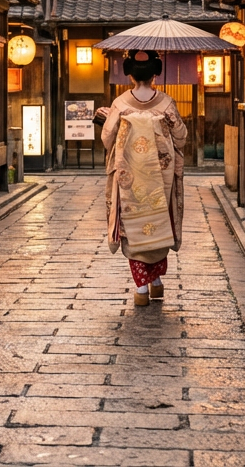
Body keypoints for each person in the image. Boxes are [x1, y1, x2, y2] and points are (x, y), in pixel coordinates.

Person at [97, 50, 188, 306]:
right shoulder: (166, 103)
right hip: (160, 178)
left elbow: (107, 139)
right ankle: (157, 283)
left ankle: (140, 290)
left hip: (129, 180)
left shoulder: (120, 103)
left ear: (129, 74)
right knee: (159, 222)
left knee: (133, 228)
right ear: (155, 72)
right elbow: (181, 136)